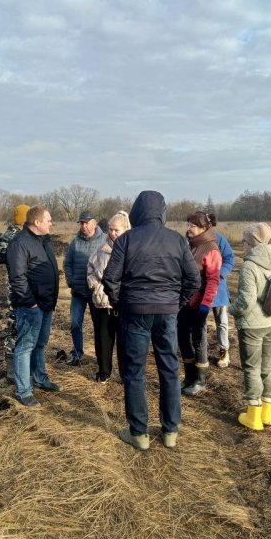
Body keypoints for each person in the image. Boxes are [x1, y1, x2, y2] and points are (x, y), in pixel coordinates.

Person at [103, 191, 199, 451]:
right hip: (166, 313)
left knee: (135, 373)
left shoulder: (127, 239)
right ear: (161, 212)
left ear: (137, 211)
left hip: (135, 312)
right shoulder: (177, 240)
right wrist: (175, 304)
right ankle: (170, 431)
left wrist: (121, 304)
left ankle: (139, 434)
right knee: (169, 370)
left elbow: (110, 279)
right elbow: (194, 280)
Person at [6, 206, 63, 407]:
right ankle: (23, 391)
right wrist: (31, 302)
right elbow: (17, 277)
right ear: (37, 222)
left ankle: (40, 379)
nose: (51, 223)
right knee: (25, 347)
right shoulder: (20, 243)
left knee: (40, 344)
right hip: (30, 307)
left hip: (46, 304)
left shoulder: (44, 240)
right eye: (48, 220)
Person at [228, 222, 271, 430]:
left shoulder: (249, 266)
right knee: (267, 365)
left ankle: (253, 416)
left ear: (250, 242)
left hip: (252, 325)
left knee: (252, 367)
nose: (242, 243)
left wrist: (231, 310)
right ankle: (267, 413)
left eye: (244, 240)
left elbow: (246, 301)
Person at [178, 211, 223, 396]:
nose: (189, 229)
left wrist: (205, 306)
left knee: (199, 340)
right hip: (183, 301)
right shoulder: (189, 244)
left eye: (193, 226)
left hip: (198, 303)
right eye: (188, 225)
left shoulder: (211, 249)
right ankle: (189, 376)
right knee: (182, 338)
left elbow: (213, 280)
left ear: (204, 228)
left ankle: (200, 380)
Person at [86, 210, 131, 383]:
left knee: (125, 342)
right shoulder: (100, 250)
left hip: (124, 304)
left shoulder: (131, 250)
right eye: (110, 229)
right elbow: (90, 269)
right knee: (103, 340)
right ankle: (104, 372)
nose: (112, 233)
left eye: (116, 230)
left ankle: (125, 374)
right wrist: (95, 285)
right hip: (103, 302)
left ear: (126, 230)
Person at [63, 210, 107, 366]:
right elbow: (67, 263)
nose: (83, 226)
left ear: (94, 223)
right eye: (81, 223)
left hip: (96, 293)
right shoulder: (75, 242)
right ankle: (77, 354)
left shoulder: (105, 240)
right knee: (75, 324)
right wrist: (71, 280)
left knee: (99, 326)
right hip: (78, 292)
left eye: (86, 223)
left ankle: (101, 357)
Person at [0, 204, 30, 380]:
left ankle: (21, 365)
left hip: (24, 285)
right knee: (14, 323)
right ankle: (11, 367)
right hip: (16, 287)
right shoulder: (11, 235)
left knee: (21, 323)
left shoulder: (24, 234)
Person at [209, 214, 235, 368]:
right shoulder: (192, 240)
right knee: (198, 323)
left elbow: (229, 259)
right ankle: (199, 353)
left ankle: (224, 351)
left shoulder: (219, 239)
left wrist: (220, 274)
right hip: (199, 289)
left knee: (222, 321)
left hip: (218, 289)